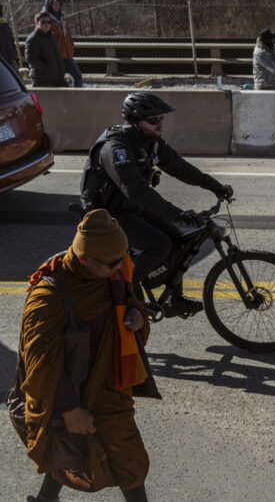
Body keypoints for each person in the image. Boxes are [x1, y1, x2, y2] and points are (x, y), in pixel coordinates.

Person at [17, 209, 152, 502]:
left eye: (123, 258)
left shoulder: (114, 270)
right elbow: (40, 364)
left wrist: (135, 315)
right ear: (84, 260)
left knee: (98, 455)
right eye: (112, 263)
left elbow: (130, 299)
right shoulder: (49, 296)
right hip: (71, 391)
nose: (120, 268)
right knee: (111, 457)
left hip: (109, 387)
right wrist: (69, 409)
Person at [79, 91, 233, 317]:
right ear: (135, 121)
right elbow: (136, 191)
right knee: (159, 245)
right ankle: (127, 290)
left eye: (161, 118)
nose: (160, 124)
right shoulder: (115, 148)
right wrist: (177, 214)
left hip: (131, 209)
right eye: (153, 120)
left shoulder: (152, 142)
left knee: (180, 241)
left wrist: (215, 186)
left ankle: (174, 299)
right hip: (107, 214)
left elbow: (179, 167)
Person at [43, 0, 83, 87]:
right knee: (59, 81)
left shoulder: (63, 17)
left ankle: (76, 98)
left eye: (58, 3)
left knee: (78, 76)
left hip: (67, 54)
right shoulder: (45, 19)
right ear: (49, 4)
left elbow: (68, 35)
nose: (56, 5)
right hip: (55, 56)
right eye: (54, 3)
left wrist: (71, 46)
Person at [24, 11, 67, 87]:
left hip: (56, 78)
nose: (46, 24)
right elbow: (31, 59)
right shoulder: (33, 38)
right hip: (42, 80)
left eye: (48, 22)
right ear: (37, 23)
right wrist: (48, 68)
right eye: (43, 22)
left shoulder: (50, 36)